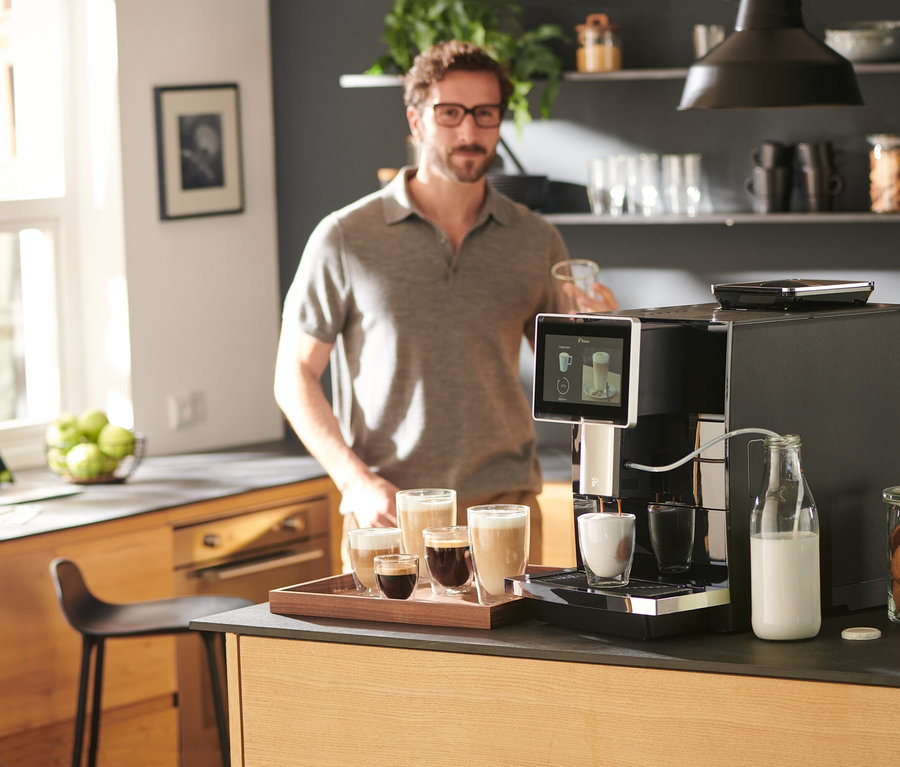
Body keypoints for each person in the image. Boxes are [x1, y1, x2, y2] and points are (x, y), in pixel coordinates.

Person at [274, 40, 617, 569]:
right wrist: (355, 481)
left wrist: (599, 339)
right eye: (449, 113)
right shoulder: (345, 237)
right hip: (387, 511)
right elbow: (294, 374)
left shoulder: (534, 238)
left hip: (505, 510)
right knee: (382, 657)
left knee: (507, 654)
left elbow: (574, 388)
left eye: (485, 115)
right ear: (416, 121)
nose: (468, 132)